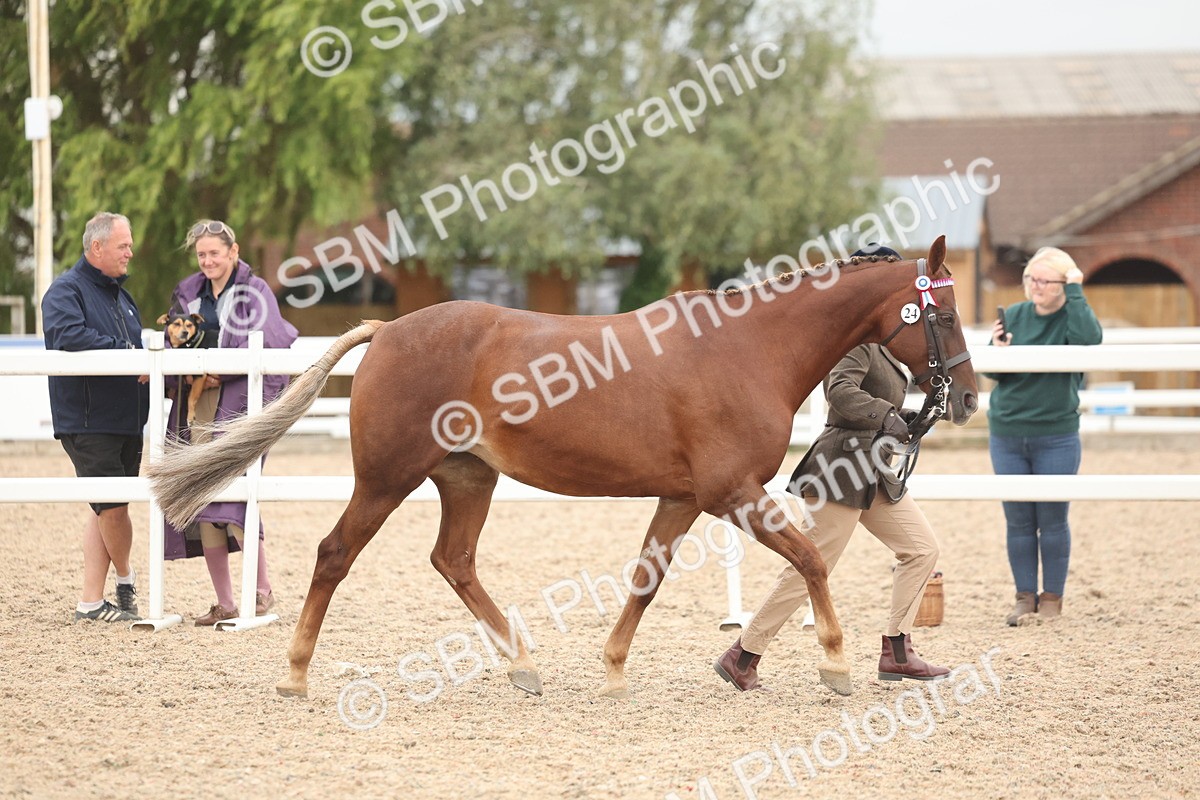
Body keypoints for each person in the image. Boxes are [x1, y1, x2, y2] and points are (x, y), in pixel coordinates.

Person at [714, 245, 948, 691]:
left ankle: (897, 650)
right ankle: (743, 654)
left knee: (921, 549)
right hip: (841, 467)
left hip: (874, 470)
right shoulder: (855, 340)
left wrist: (911, 419)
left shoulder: (889, 343)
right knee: (812, 562)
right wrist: (886, 415)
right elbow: (840, 392)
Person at [163, 219, 298, 625]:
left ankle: (261, 591)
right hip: (199, 402)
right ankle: (225, 601)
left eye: (214, 254)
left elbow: (274, 342)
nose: (207, 261)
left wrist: (228, 369)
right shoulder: (187, 292)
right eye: (201, 255)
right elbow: (172, 335)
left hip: (244, 404)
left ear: (233, 252)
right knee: (203, 495)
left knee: (237, 494)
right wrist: (186, 368)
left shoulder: (255, 292)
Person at [42, 212, 150, 623]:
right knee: (114, 507)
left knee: (104, 508)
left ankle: (90, 601)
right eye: (123, 245)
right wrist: (128, 356)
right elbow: (68, 336)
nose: (130, 251)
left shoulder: (123, 298)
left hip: (125, 420)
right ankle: (125, 581)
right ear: (97, 248)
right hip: (88, 422)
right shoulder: (64, 292)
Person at [988, 247, 1102, 625]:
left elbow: (1090, 341)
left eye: (1045, 280)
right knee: (1018, 520)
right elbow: (995, 374)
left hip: (1056, 433)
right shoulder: (1015, 315)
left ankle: (1052, 598)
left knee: (1053, 519)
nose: (1035, 286)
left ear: (1065, 284)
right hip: (1007, 431)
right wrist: (998, 352)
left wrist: (1076, 290)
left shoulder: (1073, 316)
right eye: (1031, 279)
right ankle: (1024, 597)